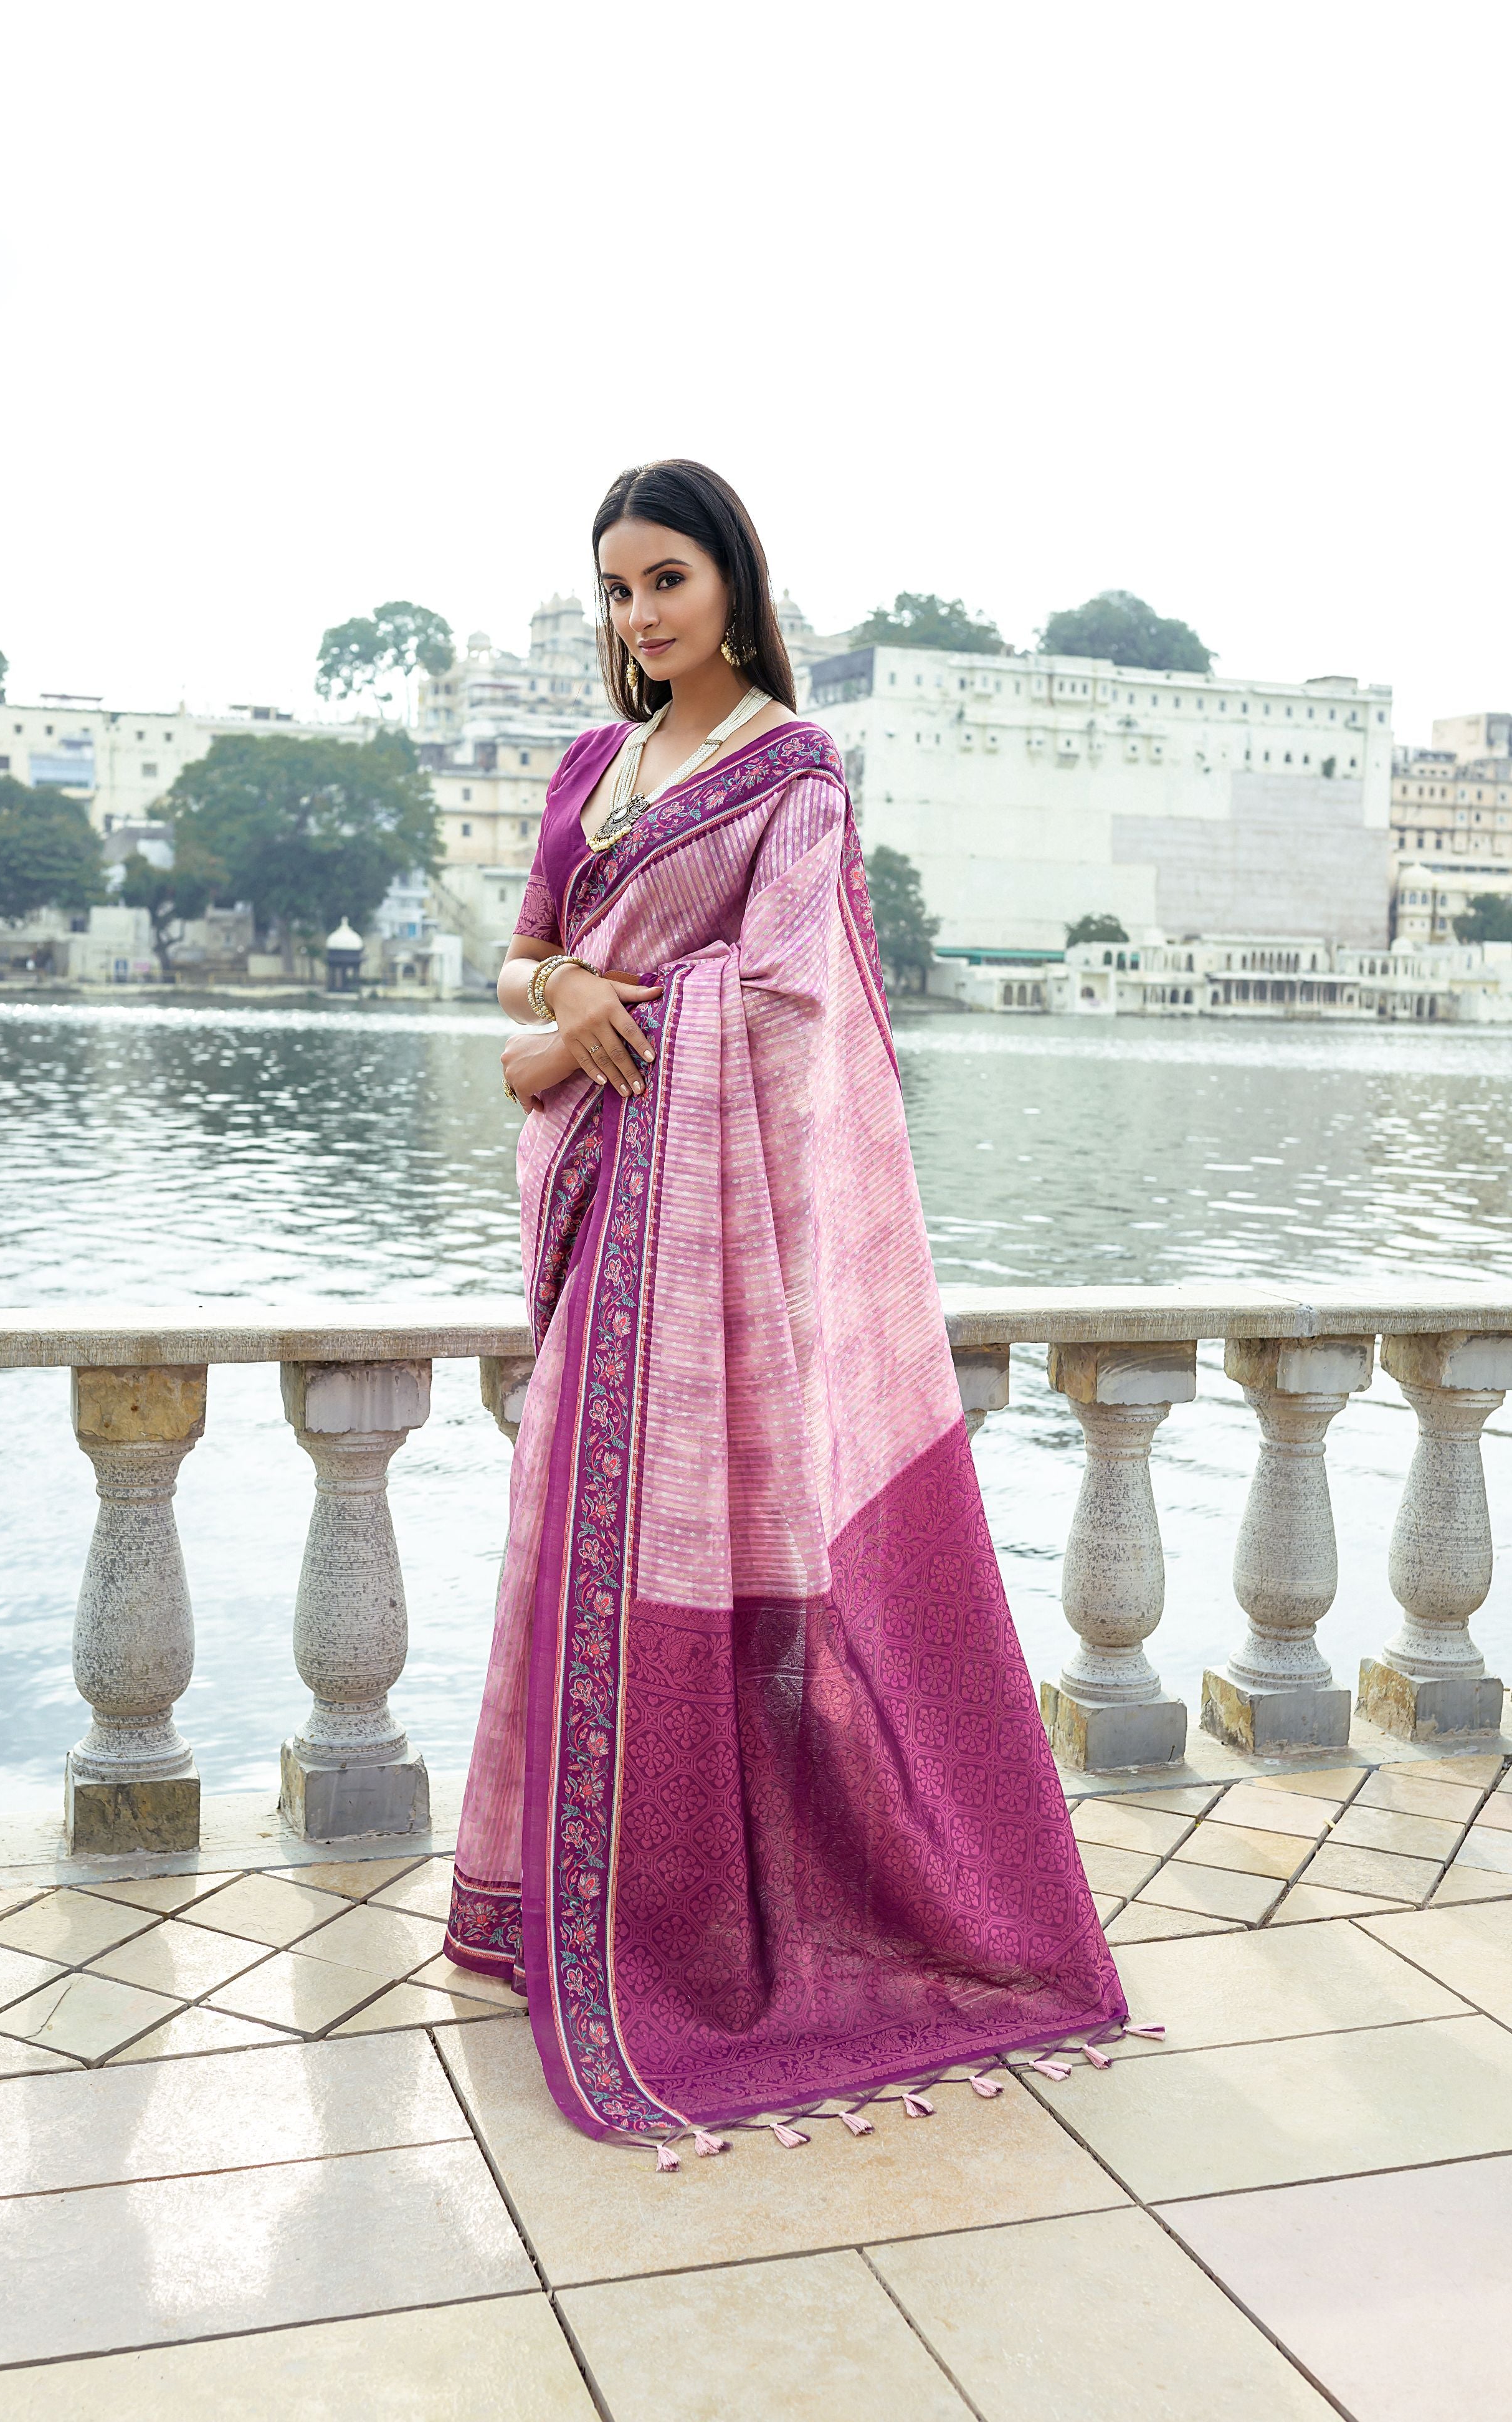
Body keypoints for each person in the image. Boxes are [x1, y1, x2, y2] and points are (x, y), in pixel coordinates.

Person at [444, 459, 1125, 2156]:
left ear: (735, 583)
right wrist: (561, 997)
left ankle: (693, 1924)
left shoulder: (793, 772)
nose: (638, 616)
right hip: (607, 1204)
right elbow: (517, 957)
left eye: (665, 579)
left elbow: (788, 1003)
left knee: (699, 1547)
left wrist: (567, 1045)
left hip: (701, 1229)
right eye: (616, 589)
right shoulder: (592, 768)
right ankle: (555, 1899)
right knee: (568, 1532)